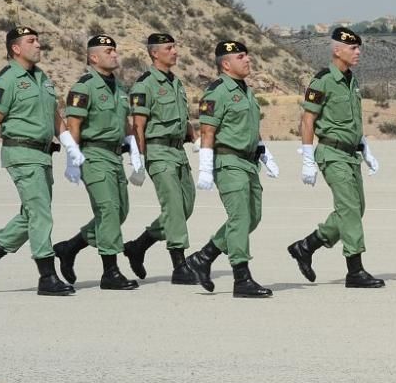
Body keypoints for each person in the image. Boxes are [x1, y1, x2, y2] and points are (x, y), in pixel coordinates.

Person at [0, 26, 81, 296]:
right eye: (31, 41)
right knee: (41, 213)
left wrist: (71, 148)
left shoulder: (42, 78)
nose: (38, 45)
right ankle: (47, 276)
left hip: (43, 155)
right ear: (16, 48)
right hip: (21, 154)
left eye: (38, 40)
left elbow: (56, 117)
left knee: (32, 213)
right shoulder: (7, 80)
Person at [288, 27, 384, 288]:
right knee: (350, 209)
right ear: (337, 50)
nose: (358, 52)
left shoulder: (351, 80)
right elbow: (308, 120)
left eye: (358, 48)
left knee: (355, 208)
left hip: (350, 154)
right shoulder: (322, 81)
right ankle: (355, 270)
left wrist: (365, 149)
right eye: (353, 48)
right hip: (331, 154)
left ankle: (306, 246)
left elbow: (351, 121)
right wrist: (307, 159)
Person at [185, 41, 279, 298]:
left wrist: (263, 153)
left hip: (248, 162)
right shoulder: (217, 92)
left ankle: (203, 258)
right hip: (228, 163)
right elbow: (207, 131)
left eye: (247, 55)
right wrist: (205, 168)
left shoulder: (245, 90)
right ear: (226, 64)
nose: (247, 60)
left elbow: (248, 127)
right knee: (239, 219)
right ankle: (241, 278)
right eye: (241, 57)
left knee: (252, 217)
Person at [53, 35, 139, 290]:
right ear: (93, 57)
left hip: (115, 156)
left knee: (120, 211)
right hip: (93, 155)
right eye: (108, 51)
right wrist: (73, 159)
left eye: (115, 50)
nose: (114, 54)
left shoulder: (120, 88)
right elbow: (74, 126)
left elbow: (126, 125)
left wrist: (136, 154)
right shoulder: (84, 87)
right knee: (108, 210)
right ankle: (110, 272)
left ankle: (70, 247)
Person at [122, 33, 198, 285]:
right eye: (169, 48)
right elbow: (139, 127)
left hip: (178, 151)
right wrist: (139, 160)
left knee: (186, 206)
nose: (175, 51)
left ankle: (138, 246)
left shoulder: (175, 82)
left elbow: (181, 118)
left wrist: (194, 138)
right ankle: (179, 264)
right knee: (174, 206)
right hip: (158, 151)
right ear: (155, 53)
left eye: (175, 46)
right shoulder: (145, 85)